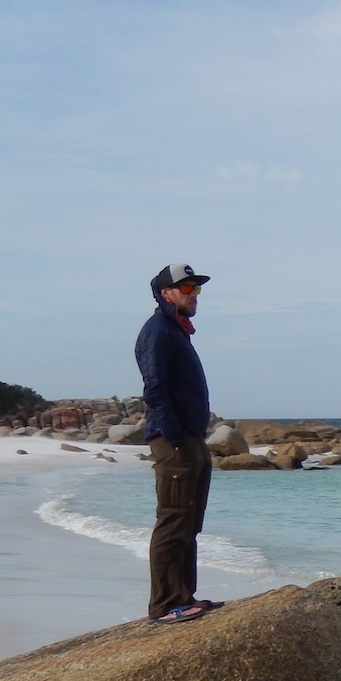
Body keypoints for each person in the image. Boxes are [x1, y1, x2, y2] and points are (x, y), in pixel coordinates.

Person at [135, 262, 221, 624]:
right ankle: (166, 605)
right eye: (187, 288)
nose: (194, 294)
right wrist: (174, 435)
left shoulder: (176, 331)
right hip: (174, 439)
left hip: (189, 436)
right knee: (173, 519)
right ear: (166, 293)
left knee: (188, 520)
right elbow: (154, 388)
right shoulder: (157, 331)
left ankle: (184, 596)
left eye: (196, 288)